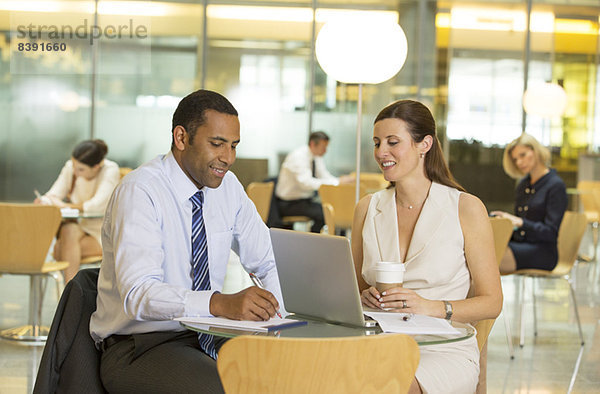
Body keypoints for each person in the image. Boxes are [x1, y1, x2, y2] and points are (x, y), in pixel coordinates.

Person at [89, 90, 283, 393]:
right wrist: (219, 303)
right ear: (181, 138)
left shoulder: (228, 187)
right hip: (142, 345)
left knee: (288, 375)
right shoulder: (140, 191)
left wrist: (277, 316)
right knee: (226, 388)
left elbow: (268, 260)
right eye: (217, 144)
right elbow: (139, 293)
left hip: (208, 333)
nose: (228, 158)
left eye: (233, 146)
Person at [352, 100, 502, 393]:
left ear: (425, 144)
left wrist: (431, 307)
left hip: (442, 349)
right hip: (378, 340)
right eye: (377, 143)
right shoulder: (367, 207)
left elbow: (492, 302)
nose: (381, 152)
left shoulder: (465, 208)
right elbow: (354, 288)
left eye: (393, 142)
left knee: (387, 384)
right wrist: (363, 296)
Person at [35, 139, 120, 283]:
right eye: (74, 166)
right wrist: (44, 200)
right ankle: (72, 291)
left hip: (101, 232)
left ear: (97, 166)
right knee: (68, 229)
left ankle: (69, 290)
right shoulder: (71, 167)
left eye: (80, 169)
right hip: (78, 228)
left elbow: (96, 205)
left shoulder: (110, 170)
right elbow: (54, 194)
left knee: (59, 250)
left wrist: (64, 206)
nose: (75, 172)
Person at [491, 133, 567, 274]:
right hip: (520, 244)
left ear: (535, 151)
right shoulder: (523, 185)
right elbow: (520, 227)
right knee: (482, 254)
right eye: (515, 159)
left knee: (487, 262)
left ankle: (485, 296)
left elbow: (550, 232)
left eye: (523, 155)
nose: (519, 162)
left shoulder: (555, 185)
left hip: (543, 251)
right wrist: (506, 224)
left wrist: (520, 222)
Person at [274, 131, 353, 232]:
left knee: (333, 211)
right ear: (312, 144)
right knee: (324, 214)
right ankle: (312, 241)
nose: (325, 151)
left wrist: (339, 181)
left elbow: (324, 176)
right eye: (323, 147)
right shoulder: (298, 157)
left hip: (303, 201)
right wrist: (337, 182)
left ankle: (317, 240)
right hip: (288, 204)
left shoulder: (315, 157)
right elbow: (306, 183)